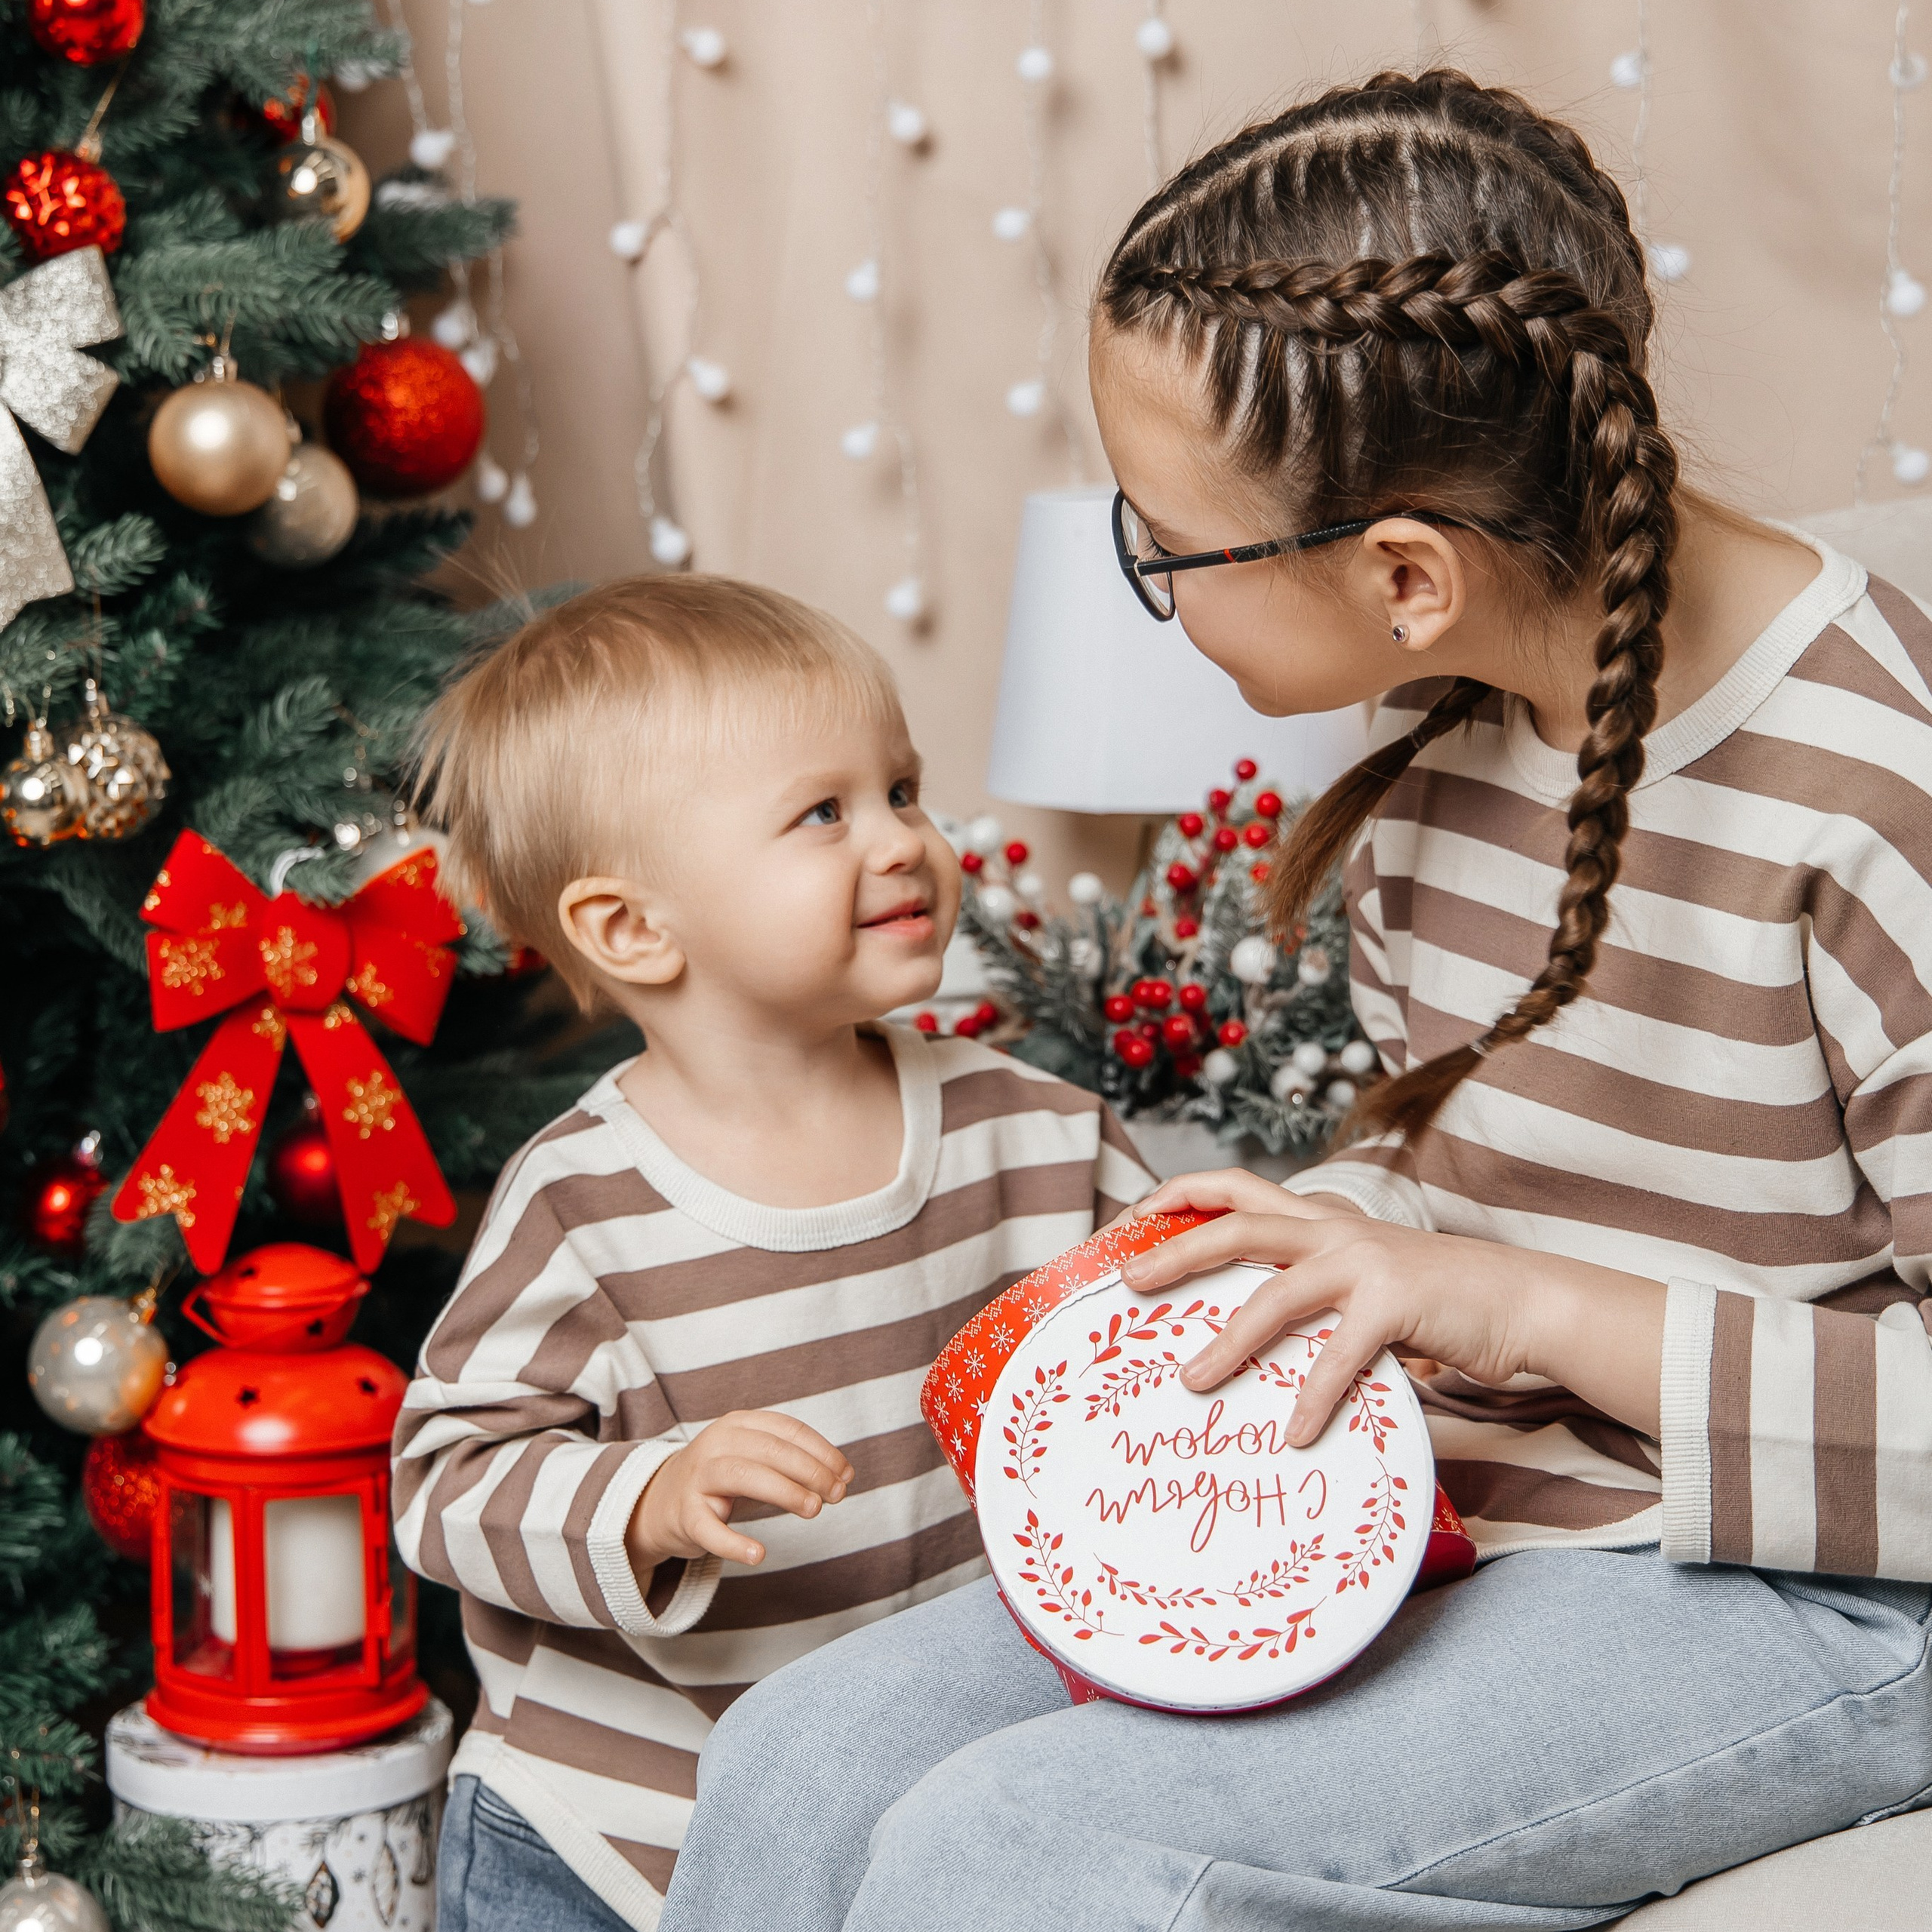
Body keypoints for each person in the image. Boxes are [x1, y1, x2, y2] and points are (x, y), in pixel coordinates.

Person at [657, 70, 1932, 1932]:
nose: (1151, 578)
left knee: (1016, 1848)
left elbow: (1560, 1285)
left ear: (1403, 573)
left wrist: (1514, 1301)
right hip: (1492, 1494)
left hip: (1816, 1581)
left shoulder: (1870, 795)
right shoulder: (1462, 743)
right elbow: (1479, 1184)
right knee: (802, 1756)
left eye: (1163, 544)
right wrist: (1333, 1232)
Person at [390, 575, 1154, 1932]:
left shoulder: (1037, 1136)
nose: (905, 840)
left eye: (903, 789)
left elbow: (1176, 1334)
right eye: (824, 813)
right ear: (632, 928)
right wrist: (643, 1495)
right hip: (606, 1832)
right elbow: (446, 1486)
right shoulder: (584, 1202)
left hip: (888, 1804)